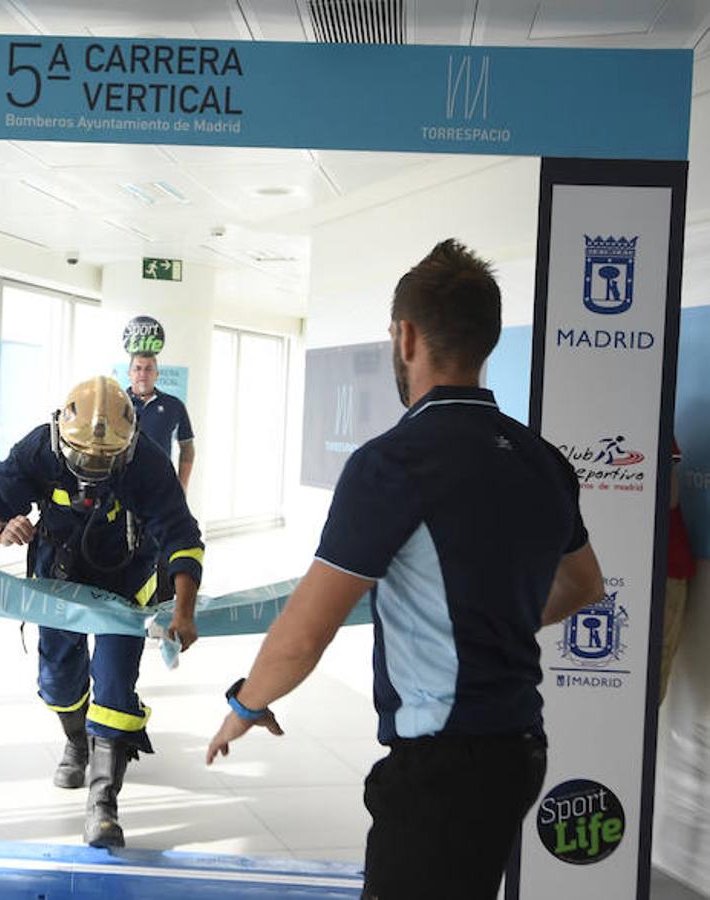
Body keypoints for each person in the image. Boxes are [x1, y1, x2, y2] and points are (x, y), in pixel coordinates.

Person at [204, 239, 604, 900]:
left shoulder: (392, 464)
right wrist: (487, 620)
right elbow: (584, 585)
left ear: (406, 335)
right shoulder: (544, 461)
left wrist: (247, 703)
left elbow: (305, 633)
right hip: (519, 751)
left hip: (444, 768)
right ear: (486, 341)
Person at [0, 375, 204, 848]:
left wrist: (184, 609)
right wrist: (1, 530)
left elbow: (183, 538)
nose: (93, 464)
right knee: (57, 681)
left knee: (115, 688)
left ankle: (103, 804)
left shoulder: (146, 462)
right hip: (59, 583)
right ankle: (77, 741)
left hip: (125, 587)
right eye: (84, 456)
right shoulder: (42, 448)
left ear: (128, 443)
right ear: (62, 434)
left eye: (105, 457)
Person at [661, 437, 697, 702]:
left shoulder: (646, 418)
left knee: (648, 684)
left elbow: (667, 497)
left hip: (663, 572)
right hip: (599, 570)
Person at [127, 352, 195, 492]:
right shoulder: (116, 404)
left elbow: (187, 448)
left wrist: (182, 487)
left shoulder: (174, 406)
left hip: (160, 487)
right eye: (137, 368)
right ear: (129, 373)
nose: (143, 374)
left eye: (148, 369)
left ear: (157, 374)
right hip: (123, 485)